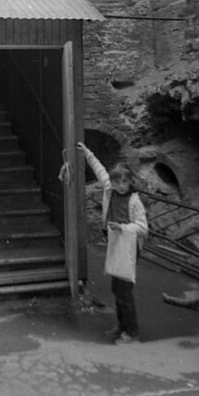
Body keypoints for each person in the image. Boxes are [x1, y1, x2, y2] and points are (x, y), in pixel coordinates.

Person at [75, 140, 149, 345]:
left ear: (129, 181)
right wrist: (87, 152)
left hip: (130, 247)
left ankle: (132, 333)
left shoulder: (134, 201)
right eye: (116, 182)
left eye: (123, 182)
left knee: (124, 290)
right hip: (115, 244)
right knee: (117, 288)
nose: (119, 186)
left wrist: (124, 228)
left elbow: (143, 228)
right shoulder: (109, 190)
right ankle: (122, 325)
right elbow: (99, 169)